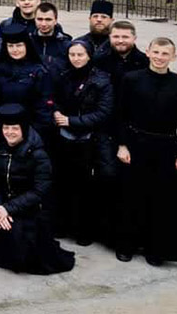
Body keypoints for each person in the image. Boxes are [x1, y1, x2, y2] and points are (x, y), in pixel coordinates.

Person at [116, 37, 177, 265]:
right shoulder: (131, 79)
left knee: (163, 201)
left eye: (165, 54)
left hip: (167, 147)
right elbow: (121, 115)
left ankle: (157, 248)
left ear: (173, 56)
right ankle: (127, 245)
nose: (160, 57)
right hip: (135, 144)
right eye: (156, 52)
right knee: (131, 196)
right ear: (148, 52)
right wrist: (122, 145)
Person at [0, 104, 75, 274]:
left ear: (23, 128)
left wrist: (8, 208)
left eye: (14, 128)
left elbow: (40, 190)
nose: (9, 132)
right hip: (4, 204)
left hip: (30, 207)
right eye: (6, 127)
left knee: (20, 240)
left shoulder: (38, 154)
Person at [51, 39, 115, 246]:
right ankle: (62, 225)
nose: (76, 59)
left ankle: (84, 231)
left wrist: (72, 121)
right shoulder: (64, 76)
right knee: (63, 182)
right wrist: (57, 112)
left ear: (88, 55)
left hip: (89, 140)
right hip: (65, 138)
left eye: (80, 55)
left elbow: (104, 112)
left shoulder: (101, 80)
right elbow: (55, 100)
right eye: (72, 55)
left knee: (85, 187)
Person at [0, 23, 52, 137]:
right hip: (5, 129)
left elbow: (43, 107)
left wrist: (36, 133)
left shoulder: (39, 71)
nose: (15, 50)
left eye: (19, 45)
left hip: (31, 129)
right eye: (10, 46)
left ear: (27, 46)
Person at [30, 2, 71, 84]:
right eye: (40, 19)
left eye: (48, 19)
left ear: (55, 21)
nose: (43, 24)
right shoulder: (28, 42)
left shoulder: (66, 44)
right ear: (34, 19)